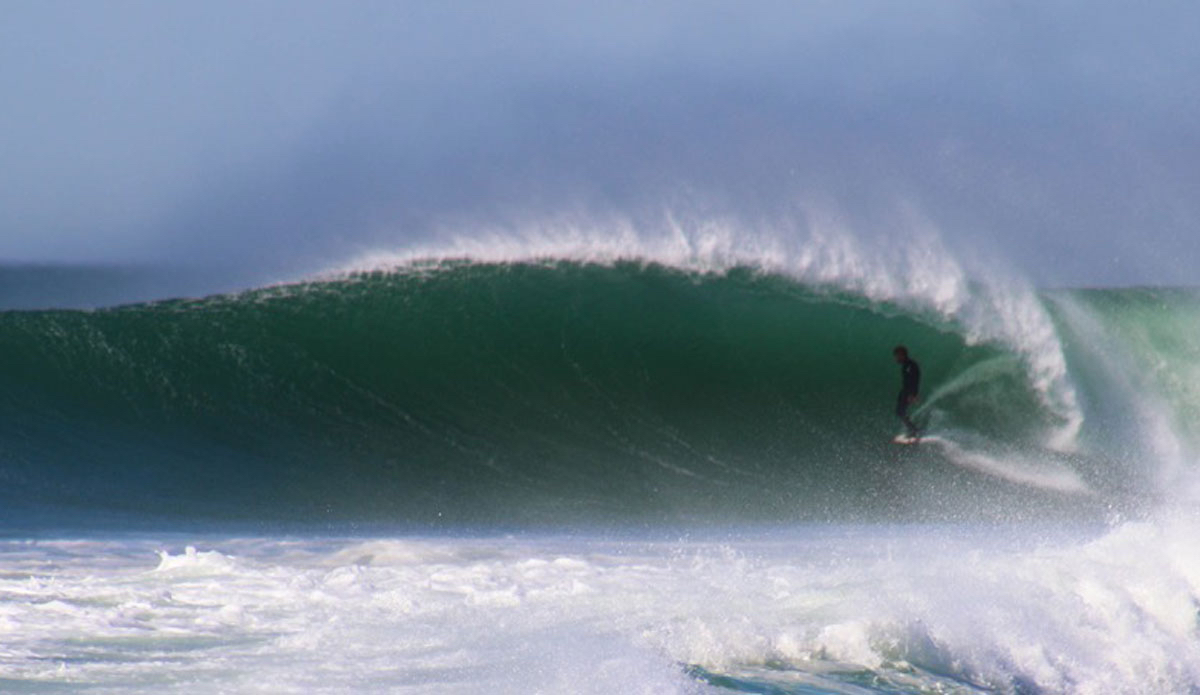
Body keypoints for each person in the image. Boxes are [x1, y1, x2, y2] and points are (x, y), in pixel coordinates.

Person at [893, 345, 921, 438]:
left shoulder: (910, 365)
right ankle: (912, 429)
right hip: (905, 391)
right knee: (900, 412)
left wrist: (912, 394)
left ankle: (914, 430)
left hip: (908, 392)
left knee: (900, 412)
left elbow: (914, 380)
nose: (895, 358)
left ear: (902, 355)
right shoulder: (907, 365)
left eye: (897, 356)